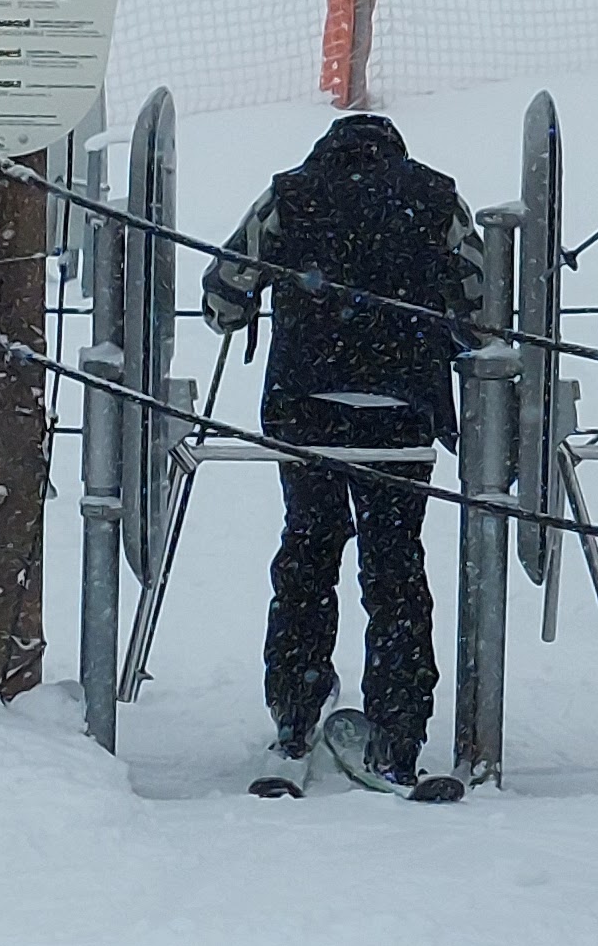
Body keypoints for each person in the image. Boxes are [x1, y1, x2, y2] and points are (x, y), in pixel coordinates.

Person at [203, 109, 483, 791]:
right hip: (402, 411)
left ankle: (295, 710)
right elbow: (481, 303)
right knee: (396, 565)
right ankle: (399, 730)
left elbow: (223, 295)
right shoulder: (438, 197)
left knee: (308, 550)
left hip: (307, 407)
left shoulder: (289, 193)